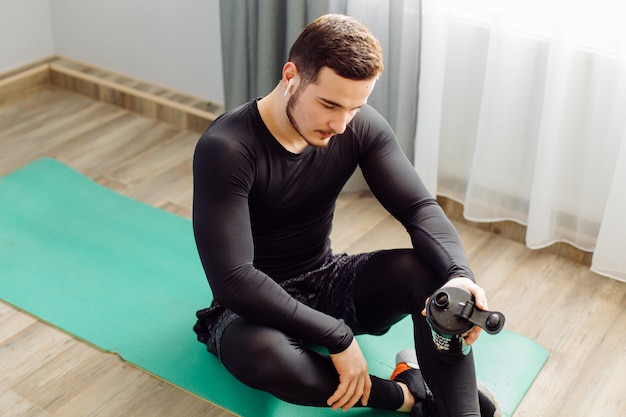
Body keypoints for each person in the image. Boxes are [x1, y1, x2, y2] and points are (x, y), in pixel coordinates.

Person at [192, 13, 500, 417]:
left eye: (355, 108)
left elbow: (418, 207)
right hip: (249, 308)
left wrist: (460, 276)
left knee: (432, 277)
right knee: (268, 357)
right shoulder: (227, 148)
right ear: (291, 76)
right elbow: (234, 280)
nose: (340, 124)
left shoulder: (358, 126)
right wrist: (336, 336)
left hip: (327, 280)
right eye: (329, 104)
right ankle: (408, 395)